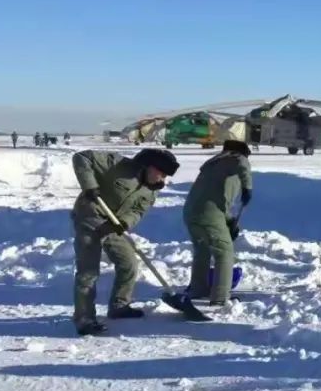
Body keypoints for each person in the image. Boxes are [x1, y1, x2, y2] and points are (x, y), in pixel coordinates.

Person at [70, 147, 180, 335]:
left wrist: (125, 222)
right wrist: (90, 186)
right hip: (89, 218)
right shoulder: (117, 165)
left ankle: (119, 306)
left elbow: (138, 211)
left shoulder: (151, 191)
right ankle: (84, 318)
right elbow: (81, 157)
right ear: (148, 167)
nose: (162, 179)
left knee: (129, 263)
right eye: (160, 173)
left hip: (113, 226)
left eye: (165, 176)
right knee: (88, 271)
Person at [183, 140, 253, 306]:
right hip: (209, 215)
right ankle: (220, 297)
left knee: (202, 251)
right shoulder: (235, 158)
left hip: (191, 213)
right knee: (224, 253)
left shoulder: (214, 165)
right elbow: (242, 162)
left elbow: (216, 200)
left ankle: (198, 289)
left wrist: (229, 223)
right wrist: (247, 188)